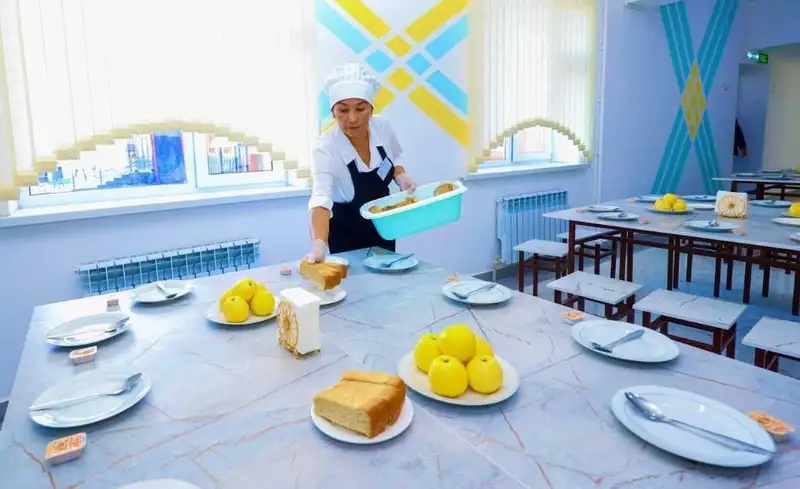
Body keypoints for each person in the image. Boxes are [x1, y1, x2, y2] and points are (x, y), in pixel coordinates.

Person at [305, 63, 417, 263]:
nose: (352, 118)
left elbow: (393, 159)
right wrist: (319, 244)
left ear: (371, 109)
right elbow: (321, 199)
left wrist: (400, 175)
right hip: (347, 239)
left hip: (384, 230)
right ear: (333, 112)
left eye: (360, 109)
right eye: (342, 110)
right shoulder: (325, 147)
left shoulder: (382, 127)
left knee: (388, 276)